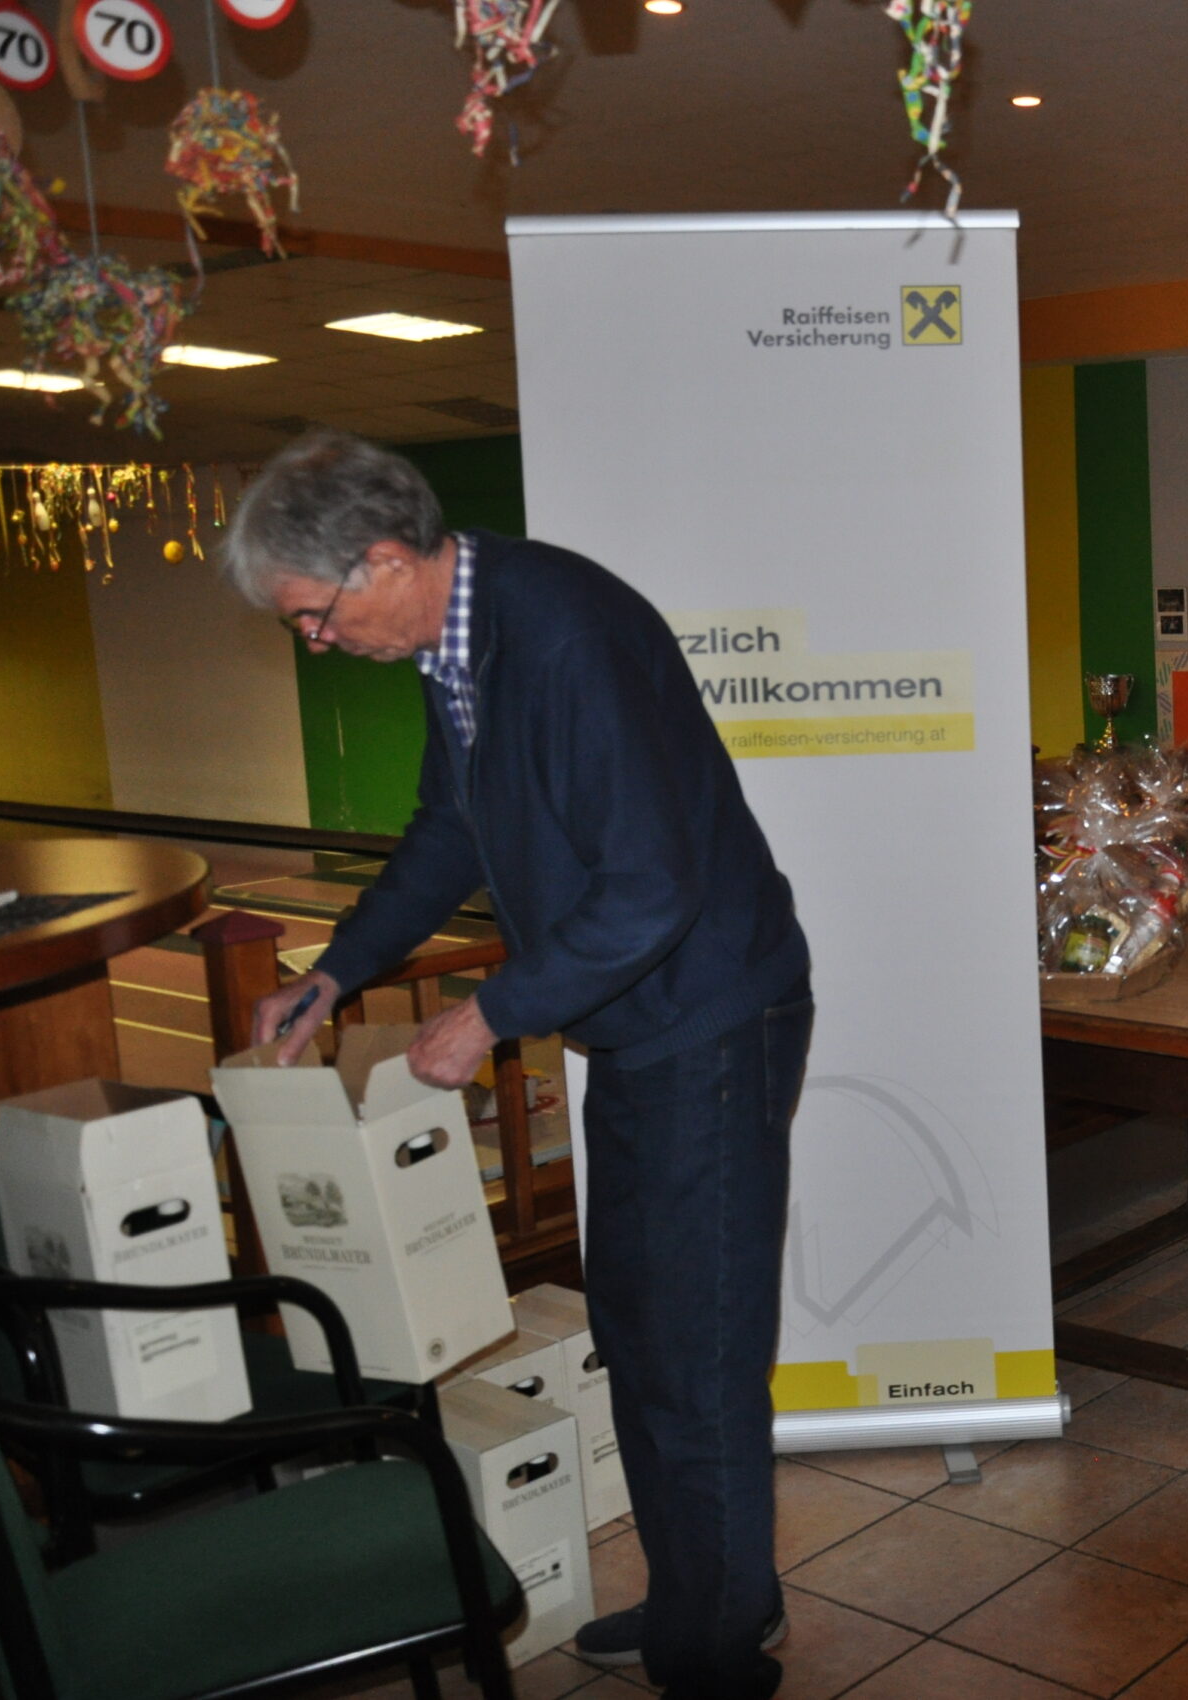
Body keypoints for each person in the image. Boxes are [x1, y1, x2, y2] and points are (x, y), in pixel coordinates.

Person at [221, 433, 810, 1700]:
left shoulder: (561, 635)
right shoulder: (459, 641)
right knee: (640, 1333)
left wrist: (489, 1013)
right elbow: (449, 831)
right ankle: (713, 1595)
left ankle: (712, 1658)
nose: (314, 642)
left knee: (694, 1352)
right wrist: (339, 968)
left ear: (383, 559)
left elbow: (651, 886)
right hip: (645, 1026)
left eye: (313, 616)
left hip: (711, 1020)